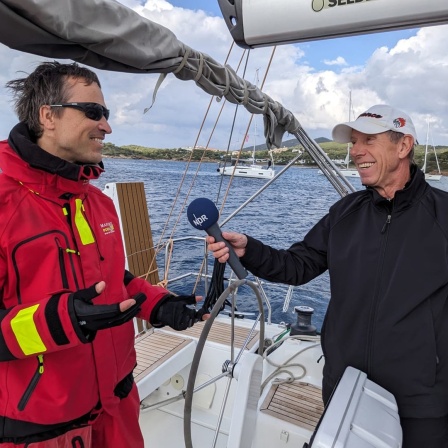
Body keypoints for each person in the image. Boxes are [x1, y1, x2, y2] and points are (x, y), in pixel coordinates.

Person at [208, 104, 448, 448]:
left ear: (403, 145)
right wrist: (250, 250)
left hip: (421, 399)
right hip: (345, 386)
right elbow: (298, 265)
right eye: (353, 142)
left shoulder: (443, 216)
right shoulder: (344, 214)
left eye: (368, 140)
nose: (355, 152)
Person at [0, 61, 206, 448]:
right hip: (44, 428)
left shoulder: (96, 202)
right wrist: (60, 319)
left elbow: (113, 281)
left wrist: (158, 305)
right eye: (93, 112)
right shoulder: (4, 202)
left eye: (106, 114)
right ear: (48, 116)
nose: (107, 126)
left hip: (117, 407)